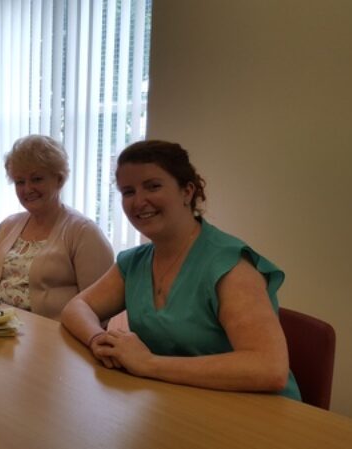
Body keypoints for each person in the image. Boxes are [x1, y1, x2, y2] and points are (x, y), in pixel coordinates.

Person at [60, 140, 301, 400]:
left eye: (153, 186)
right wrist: (97, 338)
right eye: (128, 192)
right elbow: (76, 308)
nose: (139, 201)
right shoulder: (135, 263)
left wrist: (149, 363)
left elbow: (269, 368)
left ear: (187, 191)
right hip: (183, 402)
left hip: (258, 414)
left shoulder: (230, 265)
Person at [0, 135, 114, 320]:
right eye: (20, 182)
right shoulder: (8, 226)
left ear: (59, 179)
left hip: (54, 339)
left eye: (37, 179)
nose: (27, 189)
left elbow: (100, 307)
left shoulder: (84, 232)